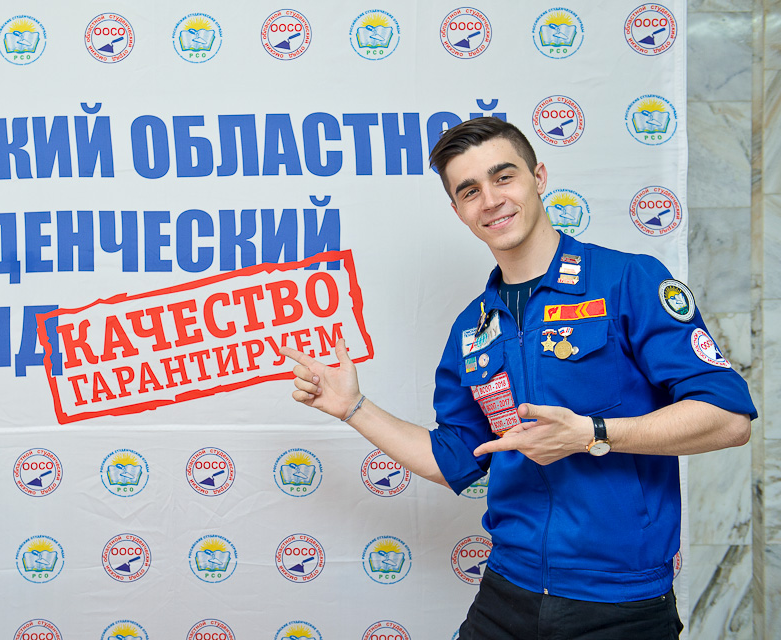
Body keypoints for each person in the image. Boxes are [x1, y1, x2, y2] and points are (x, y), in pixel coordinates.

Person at [280, 117, 756, 639]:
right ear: (458, 210)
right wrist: (354, 407)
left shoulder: (627, 281)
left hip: (620, 602)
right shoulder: (472, 328)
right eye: (469, 191)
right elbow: (453, 458)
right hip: (507, 591)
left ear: (539, 177)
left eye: (503, 177)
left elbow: (728, 418)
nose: (490, 200)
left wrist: (592, 434)